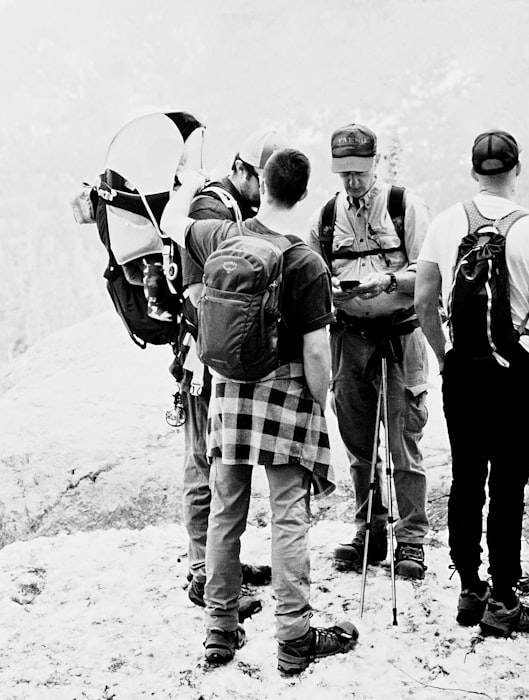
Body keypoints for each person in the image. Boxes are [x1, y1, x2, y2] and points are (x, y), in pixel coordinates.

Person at [161, 147, 359, 674]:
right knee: (289, 515)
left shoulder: (225, 235)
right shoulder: (305, 261)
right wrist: (322, 404)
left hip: (229, 391)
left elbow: (170, 222)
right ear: (302, 192)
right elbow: (317, 351)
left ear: (263, 184)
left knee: (228, 512)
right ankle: (294, 637)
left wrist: (187, 183)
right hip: (286, 391)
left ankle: (219, 631)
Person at [415, 129, 529, 636]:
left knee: (466, 480)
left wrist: (445, 357)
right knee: (507, 488)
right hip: (517, 377)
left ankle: (469, 588)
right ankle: (504, 598)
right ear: (516, 170)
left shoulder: (443, 224)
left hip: (464, 373)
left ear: (474, 171)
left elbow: (423, 303)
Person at [309, 124, 432, 580]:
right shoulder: (325, 216)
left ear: (376, 163)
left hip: (401, 335)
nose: (352, 182)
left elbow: (431, 272)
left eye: (359, 172)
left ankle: (413, 540)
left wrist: (392, 282)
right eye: (344, 174)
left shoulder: (405, 206)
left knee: (404, 443)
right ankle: (369, 528)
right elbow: (310, 272)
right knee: (359, 445)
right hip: (348, 338)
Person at [178, 130, 282, 608]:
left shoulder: (223, 209)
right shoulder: (211, 213)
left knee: (215, 461)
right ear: (241, 171)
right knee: (205, 461)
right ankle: (205, 573)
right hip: (203, 356)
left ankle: (221, 565)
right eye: (261, 180)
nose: (266, 191)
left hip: (213, 351)